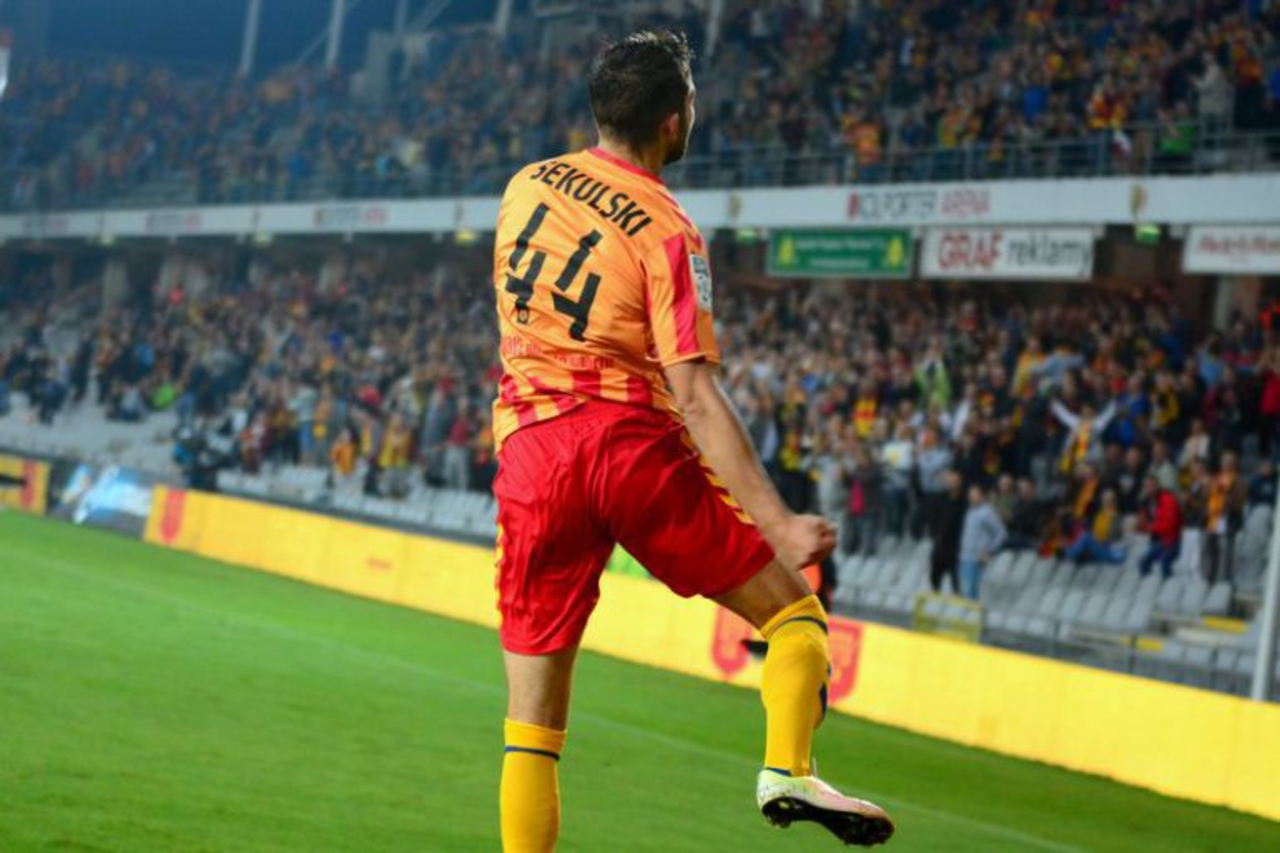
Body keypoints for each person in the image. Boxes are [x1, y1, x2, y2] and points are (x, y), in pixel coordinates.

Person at [488, 32, 893, 853]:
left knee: (531, 726)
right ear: (674, 122)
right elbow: (697, 396)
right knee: (795, 618)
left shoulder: (526, 184)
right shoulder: (668, 229)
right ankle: (787, 768)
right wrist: (778, 520)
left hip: (533, 453)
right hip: (628, 446)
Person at [958, 484, 1007, 600]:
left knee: (970, 592)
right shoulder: (970, 511)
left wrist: (989, 550)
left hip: (976, 559)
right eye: (970, 494)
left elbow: (1001, 533)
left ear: (981, 496)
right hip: (964, 557)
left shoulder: (987, 513)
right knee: (964, 592)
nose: (971, 497)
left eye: (974, 494)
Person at [929, 469, 967, 594]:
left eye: (955, 482)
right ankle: (935, 592)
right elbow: (934, 518)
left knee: (955, 573)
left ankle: (957, 594)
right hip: (940, 541)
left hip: (955, 543)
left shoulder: (964, 501)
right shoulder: (940, 498)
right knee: (935, 571)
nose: (952, 484)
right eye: (950, 482)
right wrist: (935, 534)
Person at [1138, 475, 1182, 578]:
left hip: (1173, 541)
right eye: (1147, 486)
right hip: (1160, 541)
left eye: (1151, 485)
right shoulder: (1146, 502)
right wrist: (1142, 526)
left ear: (1157, 486)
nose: (1149, 488)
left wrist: (1152, 527)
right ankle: (1148, 583)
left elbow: (1169, 524)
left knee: (1164, 561)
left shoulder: (1167, 499)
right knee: (1143, 562)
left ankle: (1168, 583)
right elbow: (1142, 525)